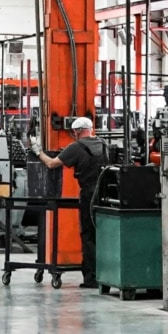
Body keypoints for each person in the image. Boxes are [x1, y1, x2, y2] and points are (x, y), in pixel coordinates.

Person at [31, 114, 107, 286]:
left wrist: (38, 152)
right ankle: (106, 275)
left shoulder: (76, 148)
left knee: (88, 235)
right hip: (106, 194)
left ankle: (91, 278)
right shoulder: (104, 145)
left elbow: (51, 164)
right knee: (103, 234)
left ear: (77, 132)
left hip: (89, 196)